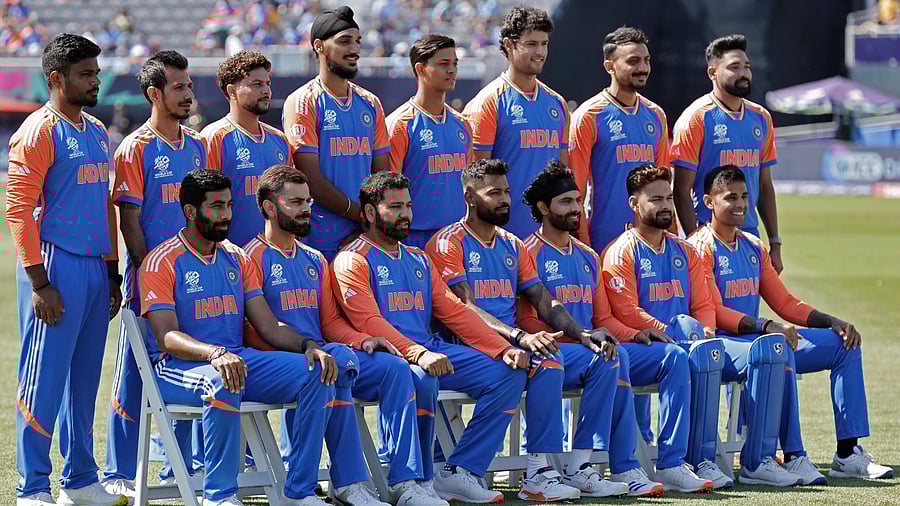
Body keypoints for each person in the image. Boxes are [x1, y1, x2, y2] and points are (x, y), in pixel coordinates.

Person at [426, 158, 630, 500]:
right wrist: (518, 336)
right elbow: (464, 307)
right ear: (470, 197)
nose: (504, 199)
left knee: (606, 357)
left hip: (515, 347)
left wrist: (582, 335)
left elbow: (543, 300)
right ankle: (537, 471)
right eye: (494, 193)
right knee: (547, 361)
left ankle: (580, 466)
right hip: (469, 347)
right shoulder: (448, 243)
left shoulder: (512, 244)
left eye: (506, 192)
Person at [243, 165, 446, 506]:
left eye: (308, 201)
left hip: (328, 353)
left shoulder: (314, 259)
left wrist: (362, 340)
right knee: (333, 367)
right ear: (269, 207)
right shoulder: (249, 257)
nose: (306, 209)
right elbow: (252, 331)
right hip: (288, 361)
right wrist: (311, 350)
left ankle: (405, 483)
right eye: (296, 202)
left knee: (396, 368)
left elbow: (331, 324)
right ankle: (348, 484)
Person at [140, 169, 337, 506]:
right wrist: (214, 354)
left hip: (236, 361)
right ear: (191, 211)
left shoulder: (237, 257)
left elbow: (268, 326)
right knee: (222, 380)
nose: (227, 215)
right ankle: (219, 497)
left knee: (317, 373)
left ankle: (299, 491)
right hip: (176, 367)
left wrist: (308, 346)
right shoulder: (162, 260)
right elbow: (167, 337)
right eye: (217, 207)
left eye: (230, 205)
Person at [331, 171, 530, 504]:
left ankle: (460, 471)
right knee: (420, 378)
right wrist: (418, 354)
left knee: (507, 373)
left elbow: (454, 311)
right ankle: (408, 482)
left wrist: (502, 348)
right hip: (385, 358)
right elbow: (369, 322)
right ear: (369, 213)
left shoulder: (419, 258)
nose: (406, 214)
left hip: (429, 350)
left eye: (408, 206)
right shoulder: (352, 259)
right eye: (395, 207)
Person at [690, 165, 893, 481]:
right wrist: (766, 326)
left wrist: (831, 322)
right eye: (731, 197)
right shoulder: (699, 247)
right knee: (778, 348)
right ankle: (795, 456)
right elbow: (713, 311)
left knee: (845, 344)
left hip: (761, 340)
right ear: (709, 202)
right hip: (721, 345)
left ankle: (847, 454)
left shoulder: (752, 246)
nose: (741, 204)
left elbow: (784, 302)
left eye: (744, 196)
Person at [8, 33, 126, 506]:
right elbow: (18, 210)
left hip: (95, 267)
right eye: (86, 74)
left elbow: (105, 204)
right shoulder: (37, 131)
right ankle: (33, 487)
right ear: (57, 78)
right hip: (55, 266)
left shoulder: (96, 131)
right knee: (43, 379)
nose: (96, 81)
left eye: (97, 72)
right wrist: (39, 281)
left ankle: (79, 481)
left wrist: (113, 271)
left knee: (84, 381)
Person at [518, 161, 678, 497]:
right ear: (543, 208)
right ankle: (542, 469)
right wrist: (578, 337)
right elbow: (526, 320)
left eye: (578, 200)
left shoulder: (589, 256)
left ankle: (582, 465)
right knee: (595, 358)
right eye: (566, 202)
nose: (576, 208)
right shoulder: (526, 252)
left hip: (581, 350)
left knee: (618, 356)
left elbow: (603, 320)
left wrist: (634, 334)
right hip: (547, 350)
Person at [104, 50, 207, 500]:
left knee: (185, 368)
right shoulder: (136, 147)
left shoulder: (199, 145)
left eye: (189, 86)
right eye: (178, 87)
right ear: (154, 94)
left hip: (194, 279)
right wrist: (148, 274)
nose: (188, 94)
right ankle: (119, 470)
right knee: (134, 372)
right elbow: (129, 219)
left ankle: (176, 467)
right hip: (149, 280)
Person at [601, 164, 725, 493]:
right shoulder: (621, 251)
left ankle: (700, 459)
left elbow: (704, 304)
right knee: (677, 356)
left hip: (679, 345)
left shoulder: (685, 250)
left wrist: (706, 331)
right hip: (634, 346)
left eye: (669, 198)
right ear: (634, 204)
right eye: (656, 199)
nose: (666, 206)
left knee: (706, 353)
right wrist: (674, 335)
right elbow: (627, 312)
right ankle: (671, 463)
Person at [283, 5, 390, 262]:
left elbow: (382, 175)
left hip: (366, 235)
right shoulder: (303, 101)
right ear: (319, 46)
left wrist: (369, 222)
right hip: (320, 239)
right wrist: (359, 215)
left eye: (357, 41)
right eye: (344, 41)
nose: (354, 49)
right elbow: (310, 178)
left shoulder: (370, 103)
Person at [671, 34, 784, 273]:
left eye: (747, 67)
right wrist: (694, 244)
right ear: (713, 72)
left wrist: (775, 242)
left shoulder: (761, 118)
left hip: (750, 239)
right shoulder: (696, 118)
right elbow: (680, 190)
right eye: (734, 67)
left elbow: (765, 185)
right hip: (708, 240)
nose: (744, 73)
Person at [463, 6, 569, 239]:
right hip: (505, 238)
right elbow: (477, 182)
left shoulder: (557, 103)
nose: (540, 52)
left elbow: (562, 176)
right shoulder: (488, 102)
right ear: (509, 45)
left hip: (549, 238)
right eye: (531, 44)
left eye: (544, 44)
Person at [568, 26, 669, 251]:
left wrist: (670, 241)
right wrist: (584, 250)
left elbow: (664, 188)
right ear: (610, 66)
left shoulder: (656, 115)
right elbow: (575, 193)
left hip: (650, 243)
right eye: (633, 61)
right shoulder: (589, 116)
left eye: (646, 60)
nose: (643, 68)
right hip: (604, 241)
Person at [386, 34, 473, 250]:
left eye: (455, 64)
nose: (452, 70)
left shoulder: (462, 124)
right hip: (414, 239)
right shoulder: (400, 125)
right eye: (443, 64)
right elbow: (388, 191)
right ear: (420, 69)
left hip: (458, 238)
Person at [204, 50, 294, 248]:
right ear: (232, 91)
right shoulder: (213, 138)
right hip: (232, 257)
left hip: (275, 256)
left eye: (268, 84)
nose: (266, 91)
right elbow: (206, 205)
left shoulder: (280, 140)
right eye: (257, 84)